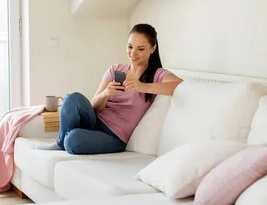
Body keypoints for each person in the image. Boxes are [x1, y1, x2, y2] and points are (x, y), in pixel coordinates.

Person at [38, 23, 183, 154]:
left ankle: (68, 139)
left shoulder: (157, 74)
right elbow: (93, 106)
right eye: (130, 47)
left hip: (114, 136)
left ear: (152, 49)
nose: (133, 53)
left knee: (73, 141)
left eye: (140, 49)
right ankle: (60, 142)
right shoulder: (116, 70)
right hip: (95, 121)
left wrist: (141, 86)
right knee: (72, 98)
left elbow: (179, 85)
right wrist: (106, 94)